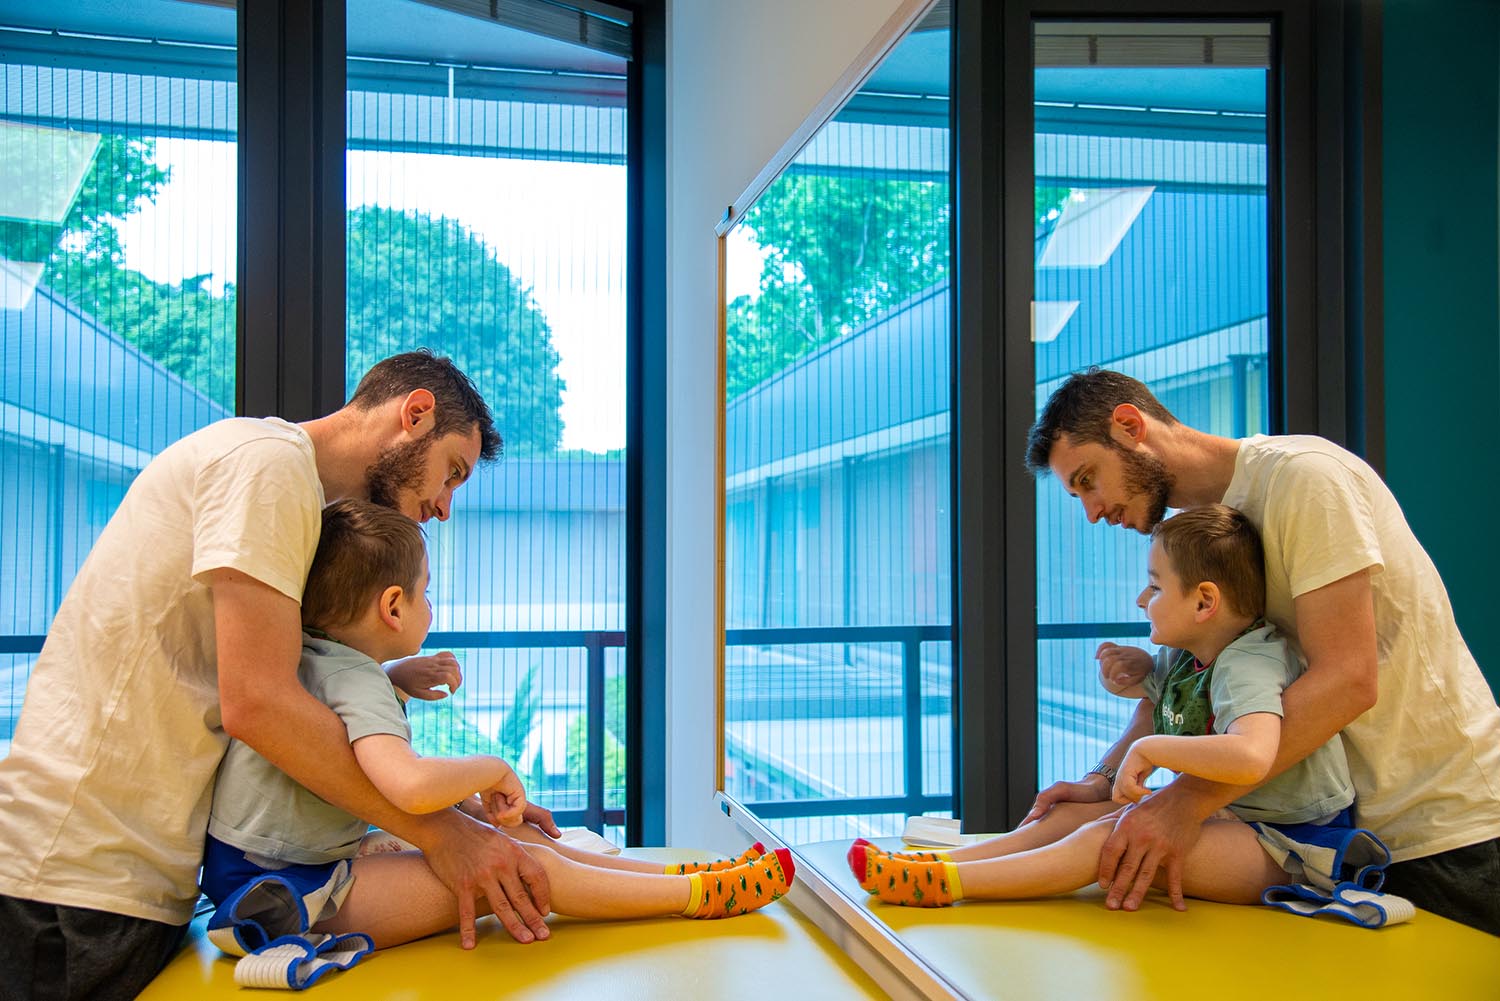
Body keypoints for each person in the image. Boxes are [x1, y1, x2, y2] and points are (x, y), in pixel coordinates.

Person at [0, 351, 557, 1001]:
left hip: (123, 876)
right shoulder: (268, 466)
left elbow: (314, 717)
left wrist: (458, 805)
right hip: (74, 879)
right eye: (452, 471)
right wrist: (446, 835)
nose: (444, 506)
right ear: (415, 413)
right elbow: (261, 705)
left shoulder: (295, 502)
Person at [1023, 367, 1500, 935]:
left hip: (1440, 826)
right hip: (1337, 839)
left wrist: (1184, 803)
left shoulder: (1305, 480)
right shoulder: (1210, 533)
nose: (1092, 512)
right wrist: (1103, 778)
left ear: (1129, 426)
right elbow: (1188, 688)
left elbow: (1348, 679)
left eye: (1088, 480)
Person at [203, 499, 792, 956]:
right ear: (393, 607)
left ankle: (688, 874)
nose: (430, 604)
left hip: (249, 869)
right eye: (426, 592)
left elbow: (340, 716)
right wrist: (494, 768)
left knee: (513, 840)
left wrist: (396, 677)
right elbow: (408, 786)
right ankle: (697, 895)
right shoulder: (360, 683)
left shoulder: (304, 656)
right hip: (287, 894)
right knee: (525, 867)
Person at [849, 506, 1364, 910]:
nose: (1141, 599)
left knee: (1110, 838)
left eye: (1156, 586)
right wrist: (1133, 678)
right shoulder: (1187, 653)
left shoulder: (1250, 662)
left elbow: (1253, 756)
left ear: (1205, 602)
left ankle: (944, 884)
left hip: (1290, 845)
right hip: (1231, 817)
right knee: (1073, 814)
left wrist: (1151, 749)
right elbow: (1163, 707)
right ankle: (936, 860)